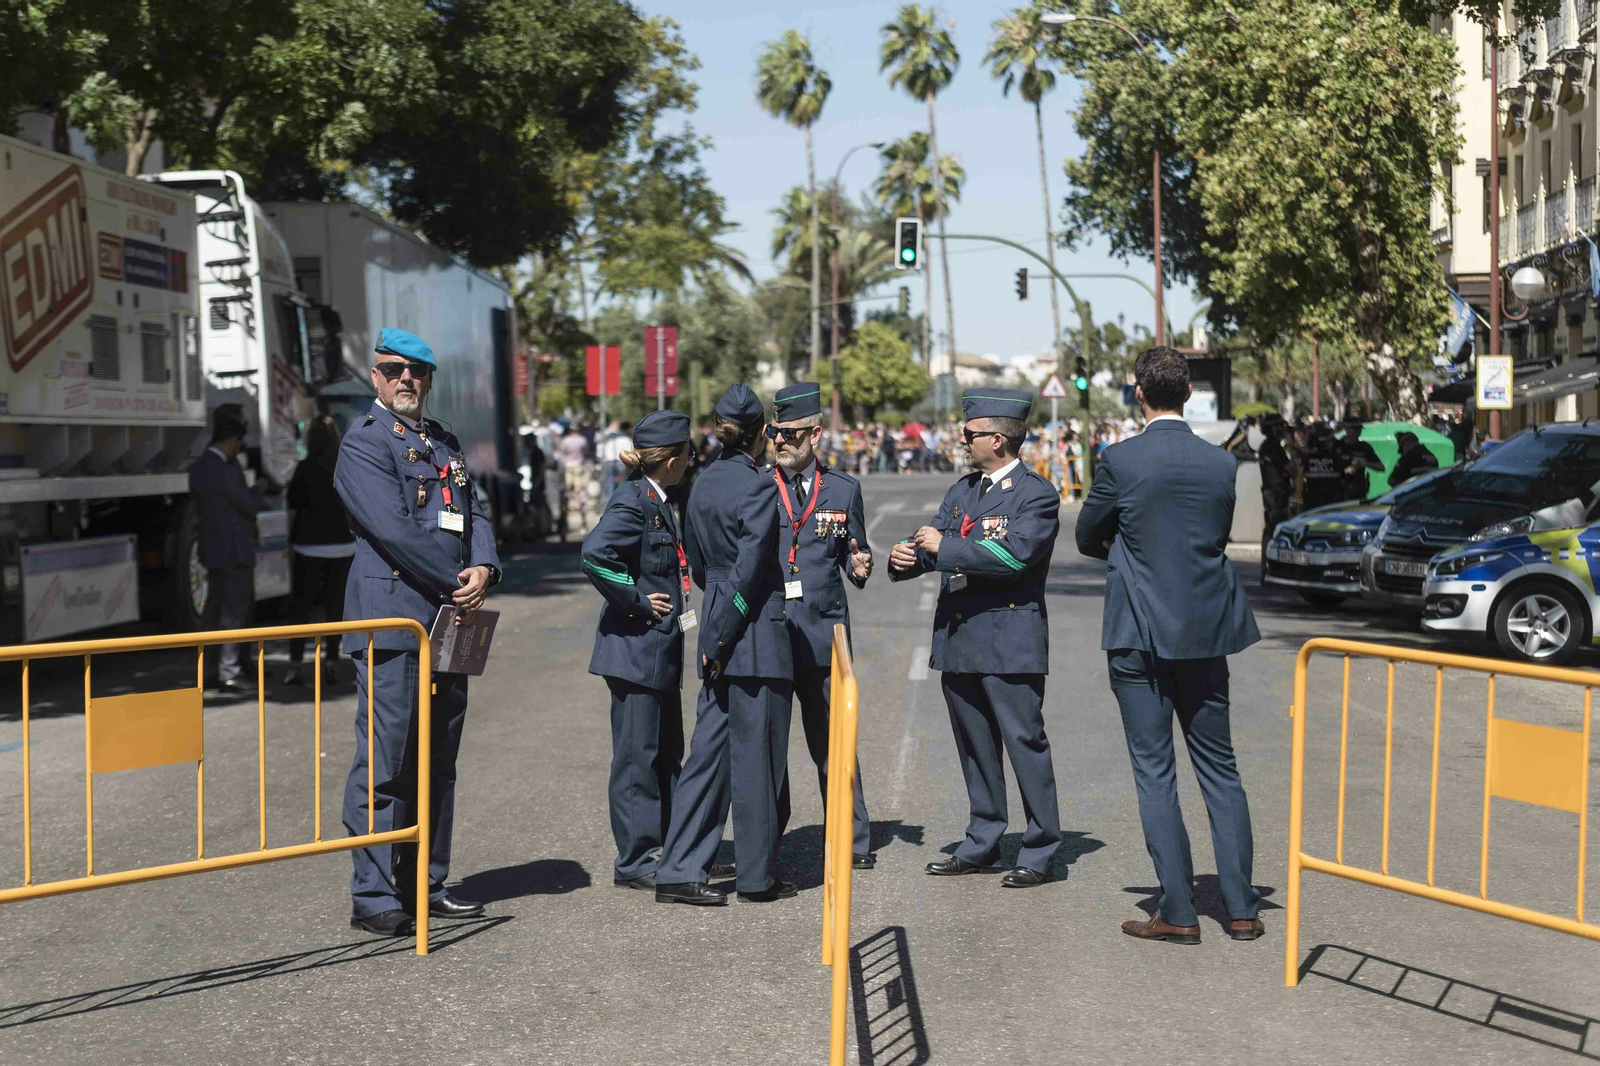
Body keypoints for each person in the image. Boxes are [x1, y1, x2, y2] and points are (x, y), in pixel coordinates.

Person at [1074, 346, 1264, 945]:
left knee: (1155, 773)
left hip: (1140, 636)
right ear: (1187, 394)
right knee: (1221, 771)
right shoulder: (1219, 464)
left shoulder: (1121, 459)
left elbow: (1086, 535)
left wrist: (1130, 552)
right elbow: (1211, 534)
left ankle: (1179, 911)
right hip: (1208, 631)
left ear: (1139, 393)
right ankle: (1241, 909)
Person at [335, 327, 502, 937]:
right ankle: (375, 894)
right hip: (397, 621)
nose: (407, 379)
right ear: (376, 377)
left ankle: (425, 883)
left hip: (452, 619)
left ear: (429, 379)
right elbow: (395, 531)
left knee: (439, 761)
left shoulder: (443, 441)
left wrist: (484, 566)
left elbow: (475, 512)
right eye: (394, 369)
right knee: (388, 759)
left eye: (418, 371)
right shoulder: (364, 443)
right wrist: (459, 577)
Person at [889, 388, 1064, 889]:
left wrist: (945, 547)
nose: (962, 441)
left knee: (1024, 744)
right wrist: (907, 558)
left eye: (968, 434)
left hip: (1010, 640)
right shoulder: (964, 489)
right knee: (975, 748)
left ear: (997, 438)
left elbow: (1014, 557)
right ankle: (983, 839)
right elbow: (936, 542)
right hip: (961, 636)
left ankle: (1039, 849)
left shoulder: (1036, 494)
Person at [655, 385, 795, 906]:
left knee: (708, 755)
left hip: (716, 620)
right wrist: (724, 633)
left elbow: (694, 556)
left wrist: (712, 630)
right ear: (763, 433)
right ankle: (757, 878)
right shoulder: (761, 485)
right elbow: (753, 567)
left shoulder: (699, 482)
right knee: (757, 758)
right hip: (750, 633)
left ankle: (678, 867)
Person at [581, 411, 694, 891]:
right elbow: (594, 555)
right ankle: (636, 858)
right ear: (670, 459)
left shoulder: (661, 499)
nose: (692, 462)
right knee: (636, 758)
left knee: (666, 753)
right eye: (687, 454)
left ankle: (665, 845)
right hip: (633, 649)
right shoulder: (633, 501)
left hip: (658, 650)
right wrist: (637, 600)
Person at [765, 383, 876, 869]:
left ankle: (851, 839)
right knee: (767, 746)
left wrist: (860, 566)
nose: (779, 442)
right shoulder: (759, 485)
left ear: (814, 434)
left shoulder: (844, 489)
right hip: (770, 632)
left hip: (825, 633)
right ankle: (767, 841)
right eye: (773, 433)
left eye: (788, 434)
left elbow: (854, 553)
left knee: (835, 741)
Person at [189, 403, 265, 694]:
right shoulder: (224, 469)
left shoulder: (199, 468)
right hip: (235, 549)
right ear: (231, 440)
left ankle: (209, 669)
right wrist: (258, 490)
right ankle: (230, 671)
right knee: (234, 612)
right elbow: (247, 504)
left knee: (212, 611)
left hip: (212, 549)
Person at [285, 415, 355, 685]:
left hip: (308, 546)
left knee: (301, 609)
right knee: (335, 607)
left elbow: (292, 508)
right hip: (343, 546)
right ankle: (332, 661)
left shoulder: (303, 469)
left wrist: (289, 544)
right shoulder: (345, 466)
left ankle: (295, 664)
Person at [1256, 413, 1295, 580]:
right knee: (1276, 529)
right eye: (1279, 426)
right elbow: (1291, 468)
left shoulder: (1267, 445)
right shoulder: (1273, 447)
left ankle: (1268, 565)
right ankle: (1272, 565)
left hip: (1273, 492)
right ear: (1272, 428)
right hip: (1275, 493)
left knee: (1270, 529)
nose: (1282, 429)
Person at [1336, 414, 1384, 502]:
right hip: (1339, 491)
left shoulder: (1364, 447)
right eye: (1354, 429)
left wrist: (1365, 463)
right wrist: (1344, 471)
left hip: (1359, 491)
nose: (1357, 432)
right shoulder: (1337, 446)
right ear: (1346, 429)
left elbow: (1381, 467)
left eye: (1359, 429)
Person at [1299, 421, 1346, 511]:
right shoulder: (1336, 459)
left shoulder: (1307, 459)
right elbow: (1342, 477)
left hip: (1312, 505)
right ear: (1327, 442)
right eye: (1332, 440)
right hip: (1332, 505)